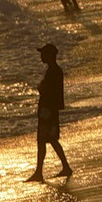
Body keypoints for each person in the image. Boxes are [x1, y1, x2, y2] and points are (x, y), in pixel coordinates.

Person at [26, 44, 73, 182]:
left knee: (44, 140)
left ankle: (40, 172)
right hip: (50, 109)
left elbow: (51, 91)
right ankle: (63, 167)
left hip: (48, 110)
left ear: (50, 56)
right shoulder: (54, 71)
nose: (41, 56)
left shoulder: (53, 71)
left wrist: (42, 88)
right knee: (50, 140)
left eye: (43, 54)